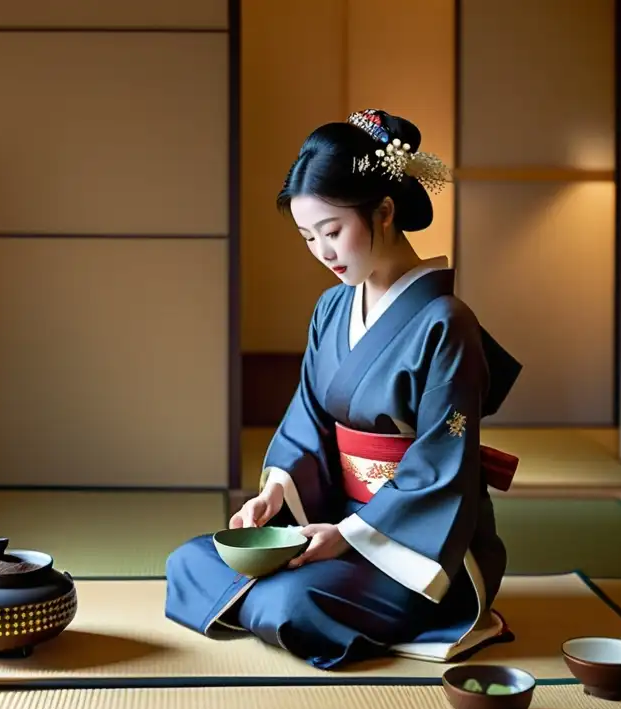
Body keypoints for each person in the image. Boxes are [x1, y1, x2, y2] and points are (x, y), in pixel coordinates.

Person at [164, 108, 522, 670]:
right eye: (308, 237)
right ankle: (294, 592)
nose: (322, 252)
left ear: (383, 212)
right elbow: (306, 417)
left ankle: (310, 598)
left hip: (415, 538)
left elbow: (441, 466)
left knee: (290, 599)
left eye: (332, 232)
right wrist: (277, 492)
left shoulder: (446, 323)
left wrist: (352, 534)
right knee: (188, 561)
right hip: (329, 515)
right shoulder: (331, 308)